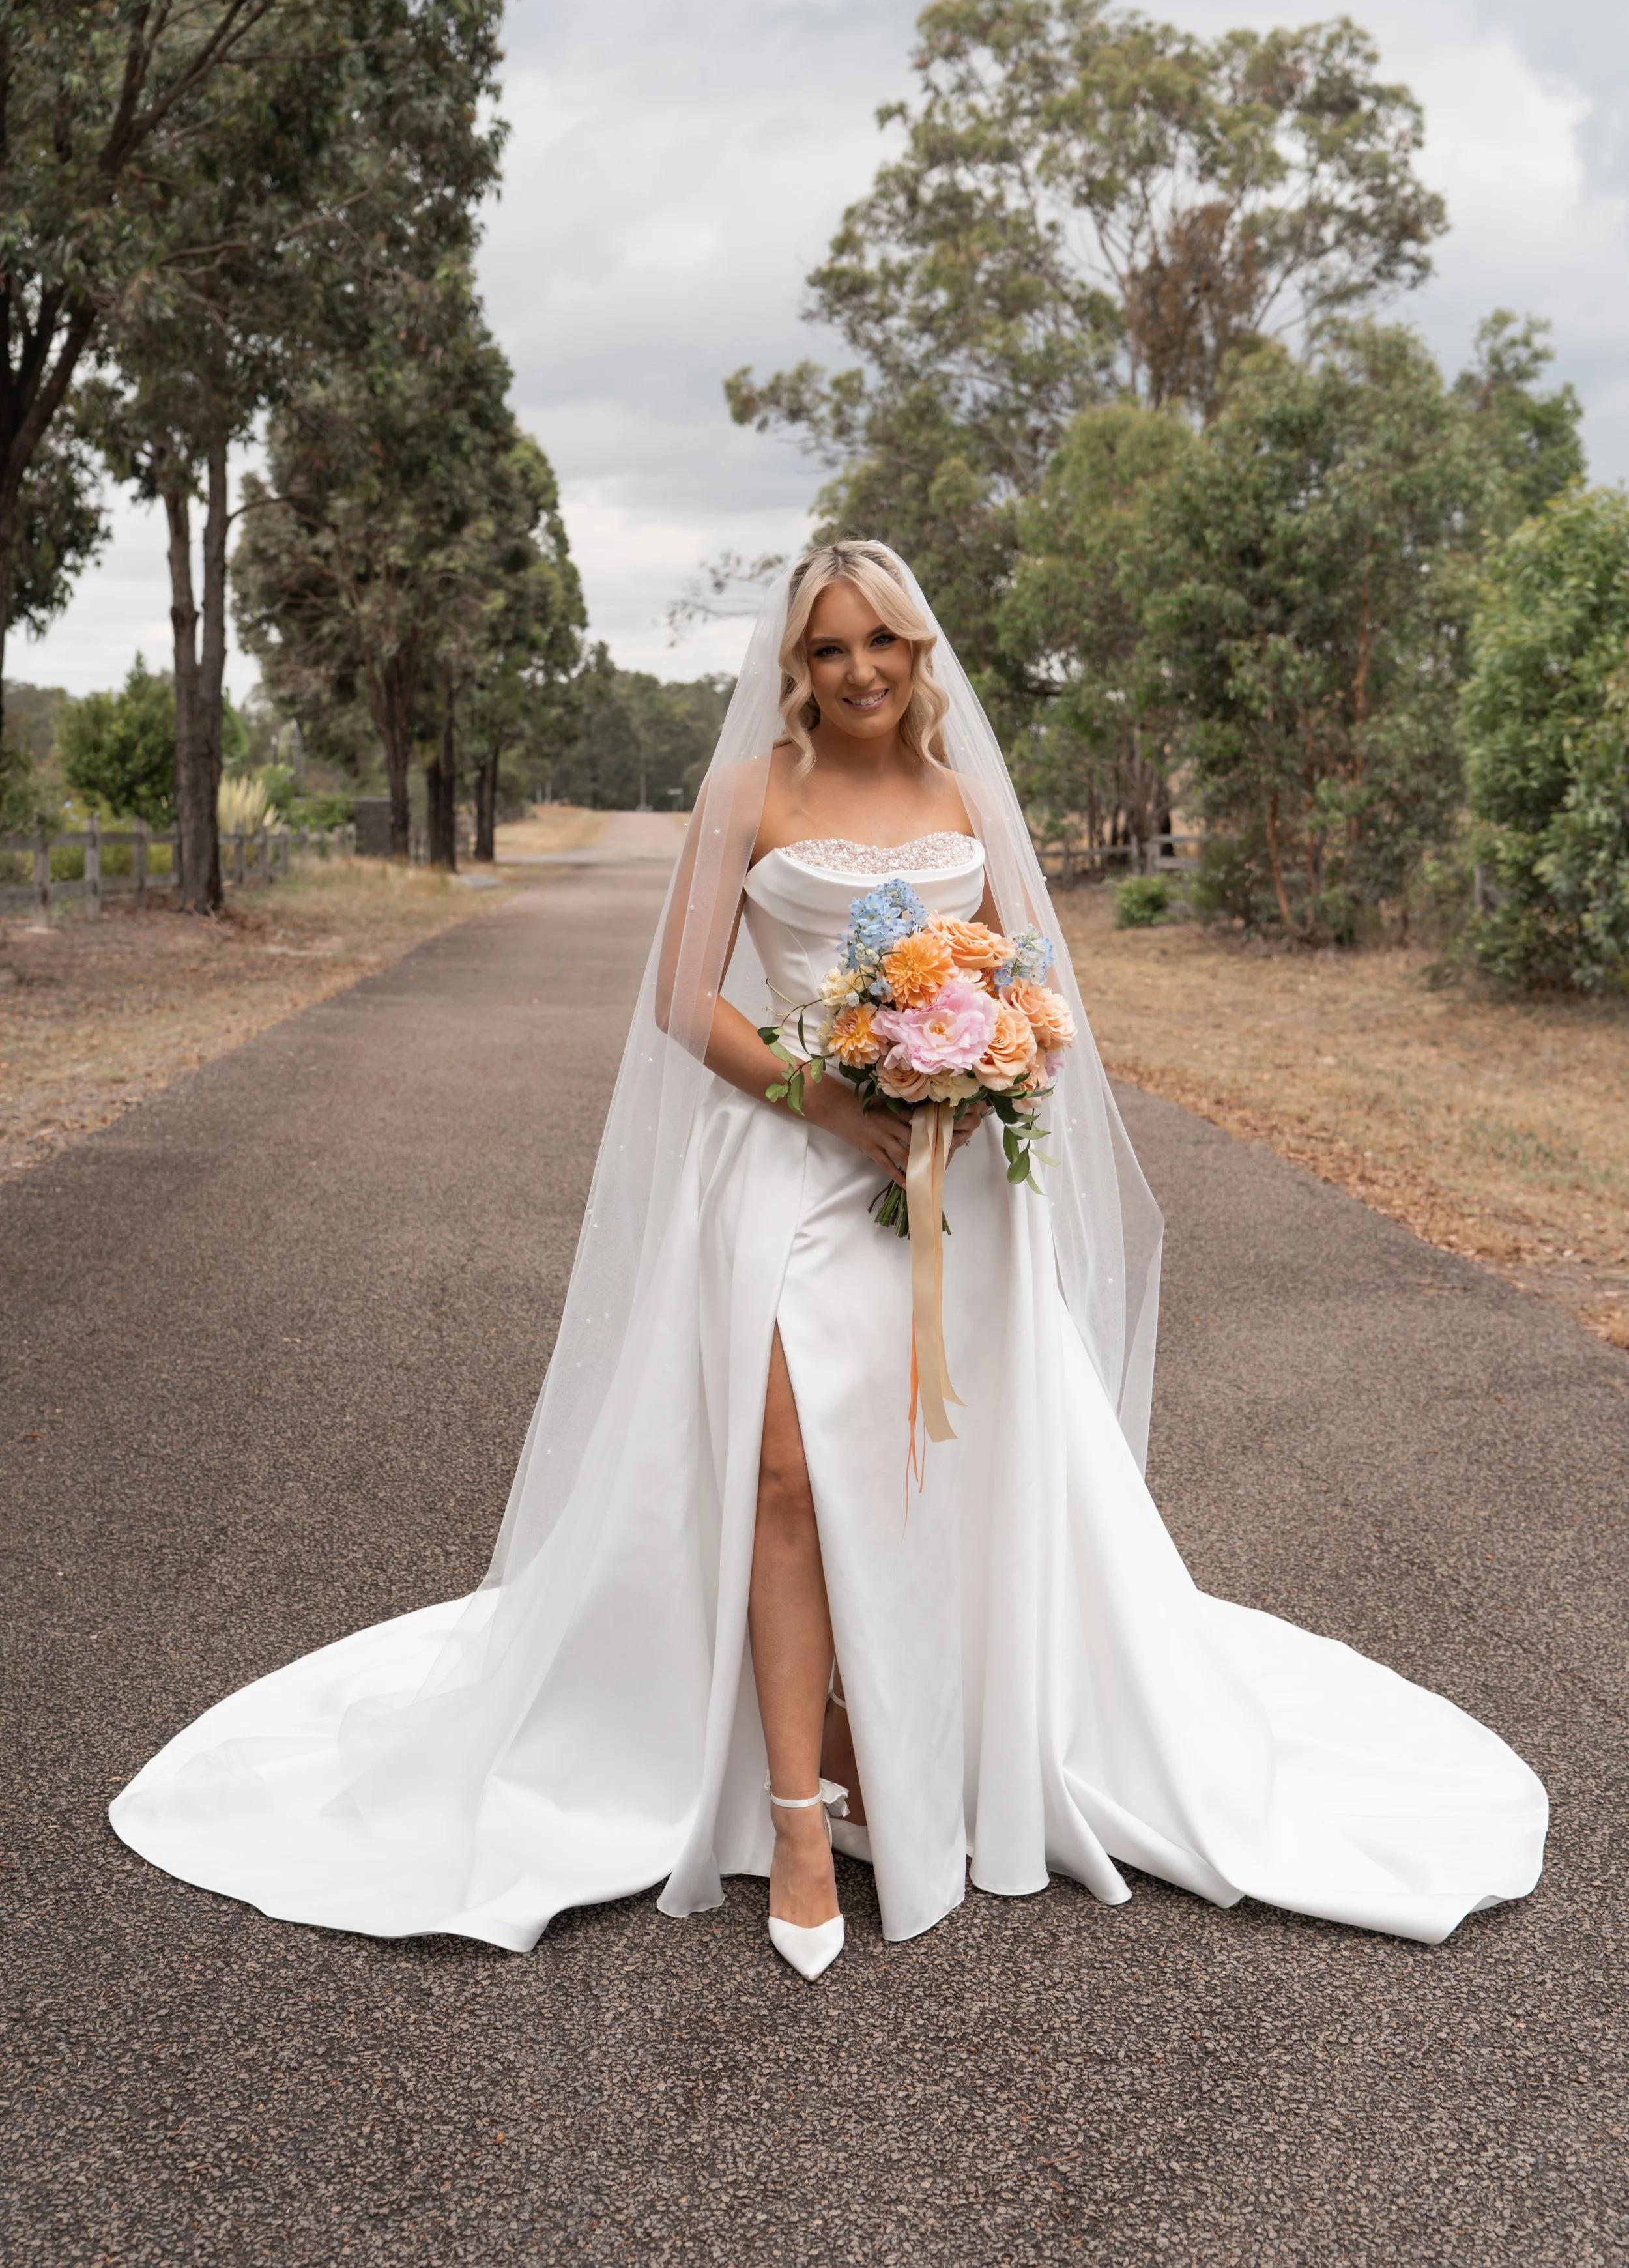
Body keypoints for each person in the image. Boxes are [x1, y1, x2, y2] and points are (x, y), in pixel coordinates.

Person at [112, 540, 1547, 1979]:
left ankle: (911, 1748)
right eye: (828, 648)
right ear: (790, 667)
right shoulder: (750, 794)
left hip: (958, 1188)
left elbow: (1033, 991)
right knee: (785, 1472)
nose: (860, 670)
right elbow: (684, 1000)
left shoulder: (965, 796)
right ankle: (797, 1815)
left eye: (884, 644)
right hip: (791, 1167)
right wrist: (830, 1097)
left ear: (920, 654)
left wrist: (982, 1073)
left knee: (940, 1472)